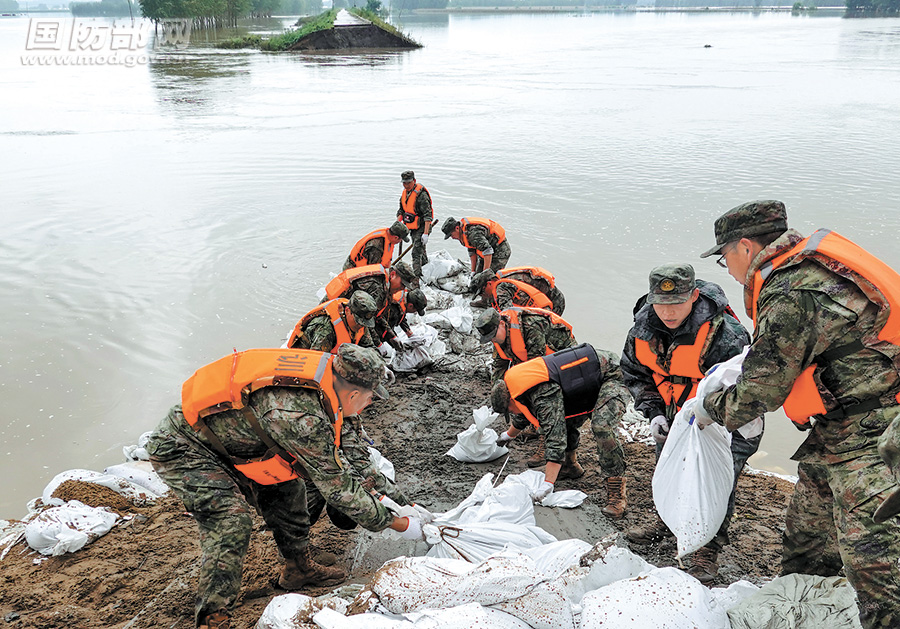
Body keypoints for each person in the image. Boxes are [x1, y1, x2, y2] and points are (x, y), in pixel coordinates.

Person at [694, 200, 900, 627]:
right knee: (807, 536)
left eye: (724, 256)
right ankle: (799, 610)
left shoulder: (792, 290)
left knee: (875, 564)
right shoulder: (811, 266)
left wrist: (708, 406)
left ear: (745, 248)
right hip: (837, 428)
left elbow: (760, 391)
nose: (727, 269)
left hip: (876, 434)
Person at [146, 344, 427, 629]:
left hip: (236, 440)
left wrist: (407, 503)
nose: (369, 405)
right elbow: (338, 487)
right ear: (354, 393)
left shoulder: (333, 383)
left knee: (288, 488)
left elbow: (356, 457)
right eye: (370, 399)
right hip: (186, 447)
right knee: (231, 521)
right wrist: (398, 524)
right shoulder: (301, 416)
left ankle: (298, 569)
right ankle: (213, 618)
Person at [620, 263, 763, 584]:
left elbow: (747, 388)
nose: (668, 312)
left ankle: (706, 547)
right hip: (673, 416)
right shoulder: (642, 330)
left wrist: (708, 417)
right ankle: (669, 521)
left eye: (677, 303)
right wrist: (654, 411)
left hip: (728, 421)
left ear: (694, 295)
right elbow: (635, 373)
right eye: (661, 303)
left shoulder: (726, 334)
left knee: (714, 481)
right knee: (669, 469)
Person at [492, 343, 631, 517]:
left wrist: (548, 483)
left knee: (602, 427)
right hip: (586, 381)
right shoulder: (517, 386)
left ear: (510, 400)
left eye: (509, 410)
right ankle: (569, 466)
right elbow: (523, 414)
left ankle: (617, 494)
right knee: (565, 417)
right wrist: (507, 435)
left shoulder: (541, 393)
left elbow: (554, 436)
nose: (511, 413)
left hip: (612, 374)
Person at [475, 306, 577, 467]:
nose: (493, 340)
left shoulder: (531, 327)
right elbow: (499, 367)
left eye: (493, 336)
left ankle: (545, 444)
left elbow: (535, 375)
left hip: (562, 359)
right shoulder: (498, 338)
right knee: (524, 398)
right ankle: (533, 424)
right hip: (537, 362)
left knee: (543, 400)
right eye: (490, 339)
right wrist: (498, 395)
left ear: (502, 324)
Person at [322, 262, 420, 352]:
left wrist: (392, 336)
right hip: (333, 311)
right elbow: (367, 318)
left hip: (347, 310)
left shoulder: (385, 285)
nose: (403, 288)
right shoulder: (377, 288)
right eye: (402, 284)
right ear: (393, 274)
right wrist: (378, 344)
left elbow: (378, 315)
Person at [287, 292, 379, 352]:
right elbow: (316, 362)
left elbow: (369, 348)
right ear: (347, 310)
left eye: (364, 323)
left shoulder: (360, 321)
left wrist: (381, 366)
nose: (361, 325)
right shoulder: (325, 328)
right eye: (358, 321)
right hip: (303, 363)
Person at [441, 216, 511, 273]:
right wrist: (473, 271)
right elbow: (472, 251)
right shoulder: (463, 233)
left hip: (500, 251)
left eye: (451, 235)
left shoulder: (473, 234)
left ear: (457, 228)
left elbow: (488, 251)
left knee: (488, 280)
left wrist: (485, 274)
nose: (452, 238)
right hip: (485, 251)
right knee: (476, 278)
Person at [397, 171, 433, 278]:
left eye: (408, 183)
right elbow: (401, 211)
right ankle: (426, 267)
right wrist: (397, 226)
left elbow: (428, 216)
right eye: (404, 183)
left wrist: (425, 233)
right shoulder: (405, 194)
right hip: (412, 226)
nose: (406, 185)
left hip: (423, 227)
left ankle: (417, 278)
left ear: (414, 181)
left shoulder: (421, 196)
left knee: (416, 252)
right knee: (421, 248)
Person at [469, 269, 554, 312]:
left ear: (489, 283)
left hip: (553, 301)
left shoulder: (501, 289)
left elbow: (509, 314)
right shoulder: (501, 280)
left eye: (482, 292)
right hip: (544, 298)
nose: (483, 296)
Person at [496, 266, 566, 315]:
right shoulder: (503, 279)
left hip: (556, 302)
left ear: (489, 283)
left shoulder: (503, 286)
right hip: (545, 293)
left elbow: (508, 312)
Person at [343, 221, 410, 271]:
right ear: (395, 237)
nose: (400, 241)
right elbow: (373, 271)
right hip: (353, 270)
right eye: (401, 239)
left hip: (364, 268)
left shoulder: (388, 236)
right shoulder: (377, 246)